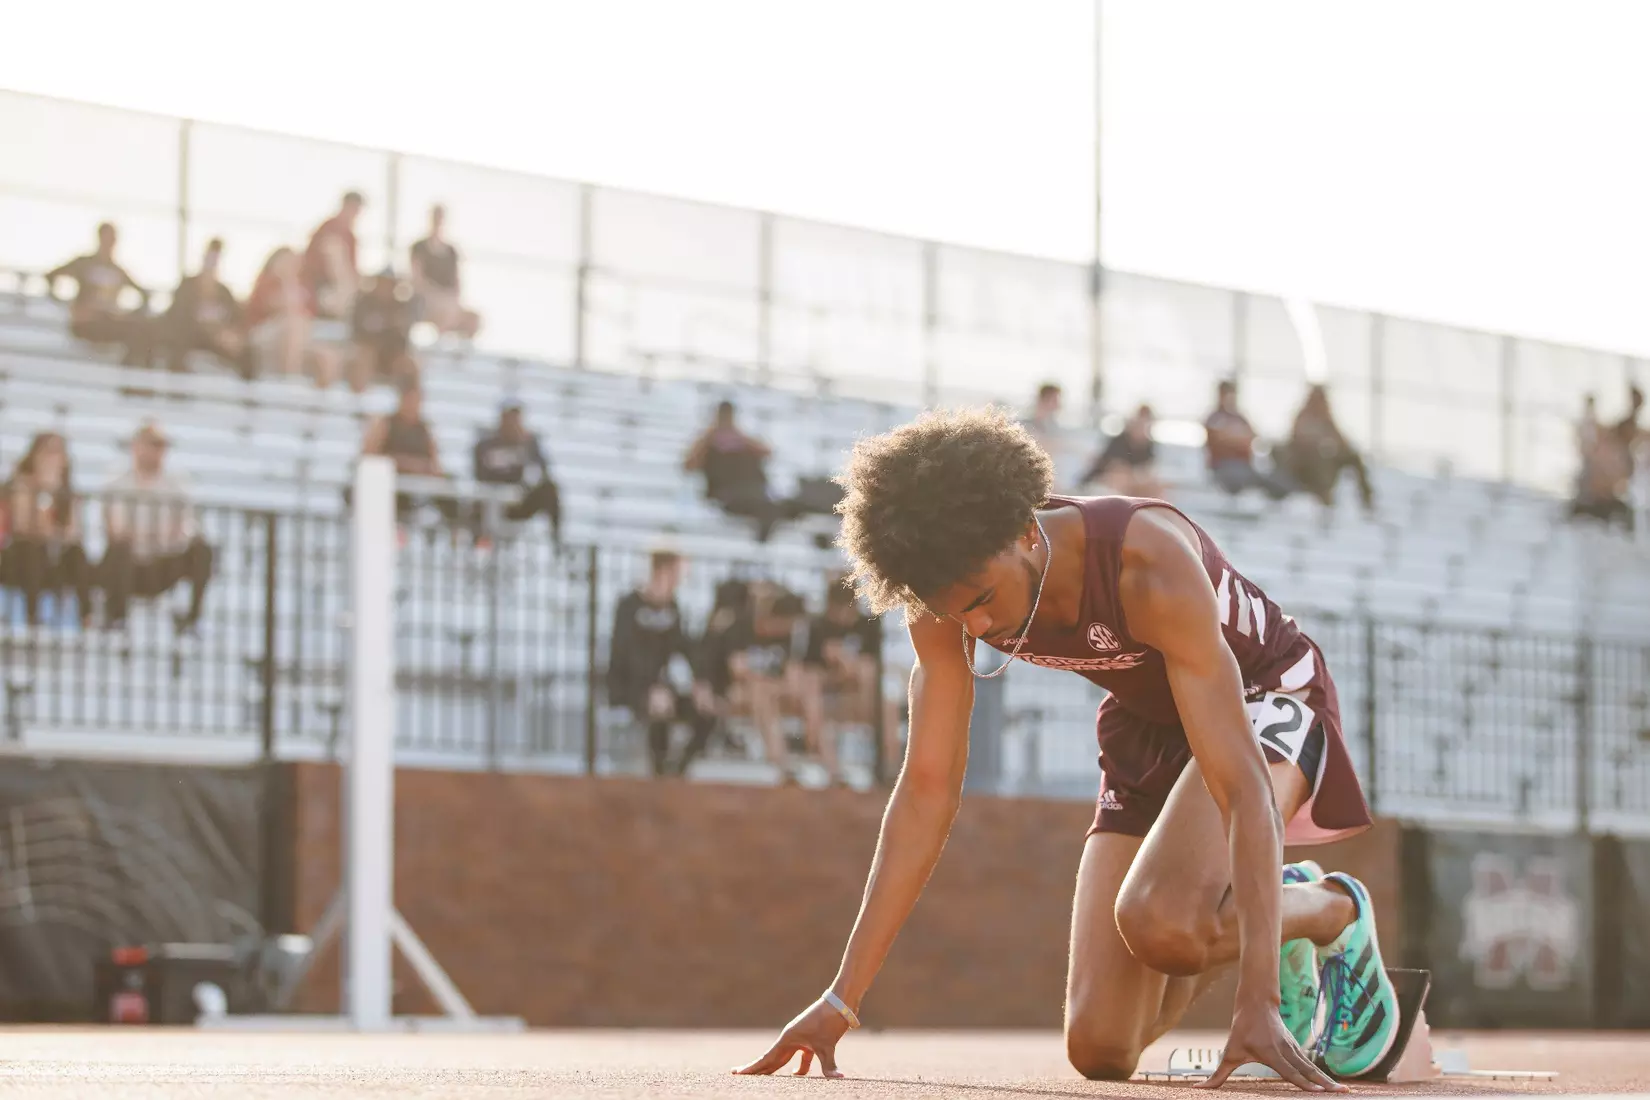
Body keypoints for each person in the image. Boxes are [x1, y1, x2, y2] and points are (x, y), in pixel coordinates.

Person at [737, 408, 1391, 1089]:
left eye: (985, 599)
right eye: (958, 611)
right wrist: (843, 999)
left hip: (1264, 698)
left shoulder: (1145, 559)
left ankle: (1331, 913)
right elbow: (927, 790)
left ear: (1024, 532)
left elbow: (1241, 784)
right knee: (1101, 1049)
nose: (978, 625)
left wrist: (1257, 1005)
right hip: (1147, 726)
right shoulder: (943, 596)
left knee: (1161, 921)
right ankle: (1269, 905)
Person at [606, 550, 719, 777]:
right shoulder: (630, 605)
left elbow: (685, 647)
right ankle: (658, 774)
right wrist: (650, 688)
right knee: (660, 711)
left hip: (662, 688)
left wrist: (701, 684)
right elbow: (624, 654)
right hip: (630, 687)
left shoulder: (672, 607)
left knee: (707, 714)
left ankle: (678, 769)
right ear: (663, 571)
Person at [101, 421, 215, 633]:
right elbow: (118, 530)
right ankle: (115, 616)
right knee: (119, 551)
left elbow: (184, 527)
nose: (157, 452)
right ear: (136, 446)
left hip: (165, 562)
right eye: (152, 445)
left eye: (161, 446)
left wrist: (159, 537)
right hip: (131, 564)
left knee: (202, 550)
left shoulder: (177, 482)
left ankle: (192, 619)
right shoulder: (119, 482)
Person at [800, 577, 897, 786]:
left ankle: (889, 769)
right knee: (817, 706)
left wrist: (845, 661)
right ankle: (834, 773)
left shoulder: (868, 624)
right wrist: (842, 670)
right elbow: (810, 675)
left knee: (886, 706)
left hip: (859, 695)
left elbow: (869, 669)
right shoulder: (818, 627)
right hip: (828, 696)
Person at [2, 432, 93, 628]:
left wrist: (56, 494)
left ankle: (87, 617)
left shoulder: (67, 491)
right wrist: (44, 493)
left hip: (55, 555)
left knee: (77, 553)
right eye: (49, 451)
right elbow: (24, 526)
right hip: (20, 557)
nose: (53, 458)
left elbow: (74, 533)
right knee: (33, 548)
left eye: (59, 453)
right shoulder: (21, 484)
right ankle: (32, 616)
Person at [347, 381, 460, 527]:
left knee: (449, 488)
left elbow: (435, 465)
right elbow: (368, 457)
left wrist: (421, 469)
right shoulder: (385, 424)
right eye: (410, 400)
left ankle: (456, 532)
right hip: (388, 484)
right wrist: (402, 463)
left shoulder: (424, 429)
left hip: (416, 486)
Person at [682, 401, 794, 542]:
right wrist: (710, 435)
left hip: (751, 492)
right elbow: (688, 466)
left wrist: (737, 435)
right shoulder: (706, 443)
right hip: (726, 495)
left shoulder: (743, 441)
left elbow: (767, 453)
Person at [44, 222, 152, 365]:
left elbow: (143, 295)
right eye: (107, 238)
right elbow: (51, 276)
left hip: (108, 322)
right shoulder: (83, 263)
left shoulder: (118, 270)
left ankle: (133, 375)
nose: (110, 243)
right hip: (86, 324)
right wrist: (67, 305)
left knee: (143, 330)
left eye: (112, 239)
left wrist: (124, 314)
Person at [471, 397, 562, 549]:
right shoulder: (486, 444)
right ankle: (478, 546)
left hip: (517, 503)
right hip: (490, 502)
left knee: (550, 489)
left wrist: (527, 446)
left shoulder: (528, 444)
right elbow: (479, 473)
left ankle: (556, 543)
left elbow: (543, 471)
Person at [246, 246, 341, 386]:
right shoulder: (268, 281)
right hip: (264, 335)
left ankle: (320, 401)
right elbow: (283, 307)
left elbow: (309, 316)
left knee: (327, 356)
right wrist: (287, 279)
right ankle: (290, 383)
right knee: (293, 326)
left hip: (299, 339)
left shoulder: (304, 285)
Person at [156, 238, 251, 376]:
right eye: (210, 257)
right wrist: (209, 330)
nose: (212, 262)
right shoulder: (187, 286)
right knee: (178, 342)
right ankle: (177, 392)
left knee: (246, 351)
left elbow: (237, 320)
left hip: (216, 342)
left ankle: (247, 393)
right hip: (191, 337)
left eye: (216, 258)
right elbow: (177, 317)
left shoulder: (224, 292)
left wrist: (231, 335)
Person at [1280, 385, 1374, 513]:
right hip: (1305, 463)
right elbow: (1300, 440)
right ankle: (1326, 502)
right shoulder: (1303, 416)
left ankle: (1367, 499)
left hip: (1326, 457)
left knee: (1353, 457)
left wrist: (1336, 447)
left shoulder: (1326, 418)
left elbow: (1341, 441)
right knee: (1321, 461)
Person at [1206, 379, 1294, 500]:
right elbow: (1218, 441)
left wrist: (1233, 438)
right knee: (1238, 477)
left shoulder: (1240, 418)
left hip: (1246, 466)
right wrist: (1237, 439)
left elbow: (1252, 438)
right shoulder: (1214, 418)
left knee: (1278, 482)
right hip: (1224, 467)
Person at [409, 204, 481, 339]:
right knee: (445, 311)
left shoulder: (451, 251)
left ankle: (460, 354)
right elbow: (417, 280)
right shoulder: (418, 247)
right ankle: (438, 346)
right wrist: (439, 295)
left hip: (448, 299)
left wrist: (453, 297)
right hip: (426, 298)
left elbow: (457, 281)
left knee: (473, 318)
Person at [348, 269, 418, 392]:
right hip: (368, 348)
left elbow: (402, 336)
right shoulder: (363, 303)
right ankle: (359, 397)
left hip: (391, 352)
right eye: (382, 282)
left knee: (408, 365)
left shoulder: (399, 307)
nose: (385, 287)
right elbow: (357, 331)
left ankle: (406, 402)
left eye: (389, 284)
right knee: (363, 359)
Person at [301, 191, 364, 318]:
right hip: (319, 287)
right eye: (353, 208)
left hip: (339, 290)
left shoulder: (350, 237)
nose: (354, 214)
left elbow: (353, 270)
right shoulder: (329, 229)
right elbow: (334, 269)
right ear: (345, 206)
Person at [1079, 404, 1163, 497]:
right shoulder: (1119, 441)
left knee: (1155, 489)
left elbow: (1148, 472)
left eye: (1146, 422)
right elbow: (1117, 472)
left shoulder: (1148, 445)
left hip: (1128, 486)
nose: (1142, 425)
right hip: (1098, 483)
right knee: (1121, 482)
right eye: (1140, 421)